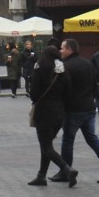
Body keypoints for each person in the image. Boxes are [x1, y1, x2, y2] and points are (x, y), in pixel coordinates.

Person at [53, 39, 99, 185]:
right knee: (92, 138)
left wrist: (64, 105)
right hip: (88, 107)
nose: (60, 51)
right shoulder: (88, 63)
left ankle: (66, 171)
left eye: (62, 48)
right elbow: (95, 85)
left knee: (68, 140)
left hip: (73, 110)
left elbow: (65, 90)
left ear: (69, 49)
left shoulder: (66, 66)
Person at [27, 45, 78, 187]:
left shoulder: (40, 67)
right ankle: (41, 176)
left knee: (46, 146)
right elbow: (68, 93)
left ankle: (67, 169)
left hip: (43, 111)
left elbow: (34, 92)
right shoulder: (63, 70)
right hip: (59, 112)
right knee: (47, 145)